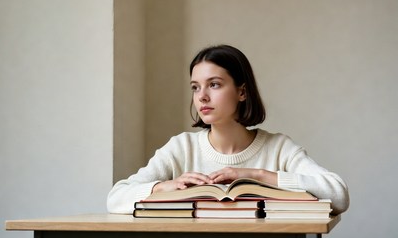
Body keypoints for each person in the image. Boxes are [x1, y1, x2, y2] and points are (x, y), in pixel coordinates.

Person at [107, 44, 349, 215]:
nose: (201, 97)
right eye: (195, 87)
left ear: (242, 92)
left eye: (214, 85)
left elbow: (338, 194)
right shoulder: (180, 148)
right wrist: (162, 186)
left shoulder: (279, 148)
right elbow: (115, 198)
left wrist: (257, 175)